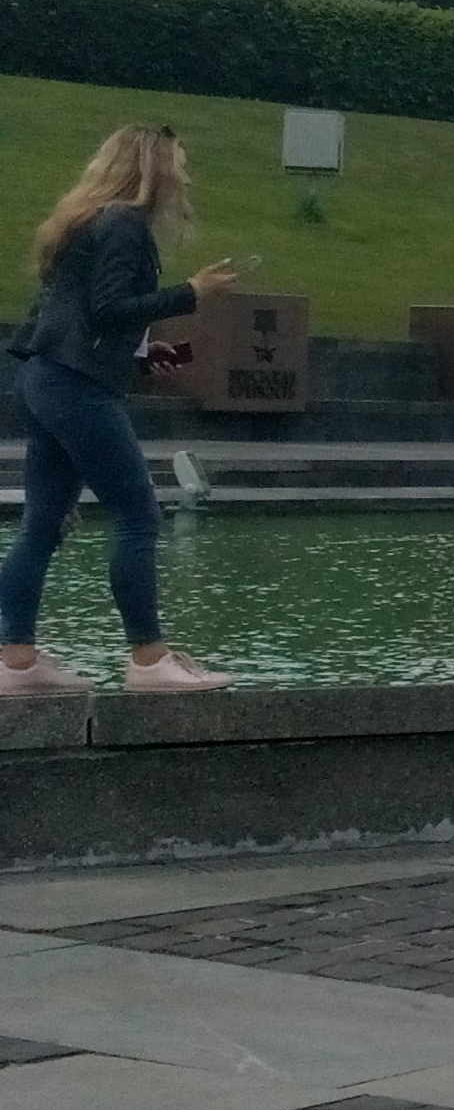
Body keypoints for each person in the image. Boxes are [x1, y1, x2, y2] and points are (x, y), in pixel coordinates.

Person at [2, 125, 245, 696]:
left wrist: (141, 351)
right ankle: (149, 660)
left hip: (44, 379)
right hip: (77, 388)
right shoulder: (125, 224)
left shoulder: (87, 219)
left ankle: (16, 661)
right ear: (153, 168)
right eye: (178, 164)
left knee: (42, 524)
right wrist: (191, 292)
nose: (185, 176)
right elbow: (109, 307)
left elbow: (73, 313)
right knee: (138, 516)